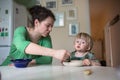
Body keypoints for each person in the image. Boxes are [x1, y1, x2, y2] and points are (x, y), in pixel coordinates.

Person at [1, 5, 70, 66]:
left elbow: (47, 59)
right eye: (48, 25)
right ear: (36, 22)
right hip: (7, 68)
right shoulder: (20, 30)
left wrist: (29, 62)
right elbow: (22, 45)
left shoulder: (46, 37)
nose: (50, 29)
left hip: (25, 72)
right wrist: (55, 53)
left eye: (51, 26)